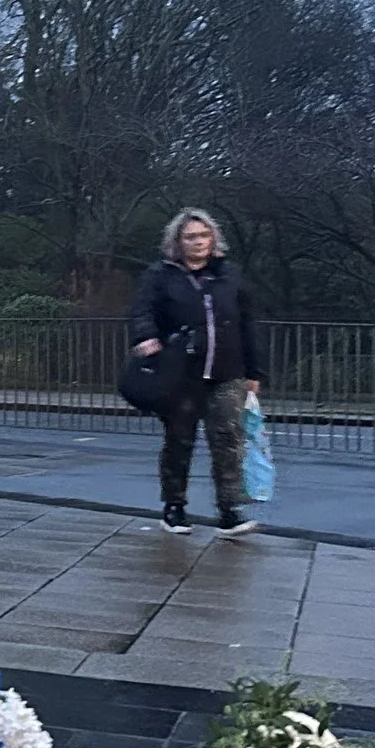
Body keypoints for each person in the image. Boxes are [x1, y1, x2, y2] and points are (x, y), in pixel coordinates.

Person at [127, 208, 267, 537]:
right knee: (179, 439)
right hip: (180, 374)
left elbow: (248, 322)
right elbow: (141, 310)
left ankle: (229, 509)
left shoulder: (229, 275)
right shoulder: (161, 276)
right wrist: (146, 338)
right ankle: (174, 506)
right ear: (178, 241)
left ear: (214, 239)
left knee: (228, 439)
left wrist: (254, 370)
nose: (198, 242)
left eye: (204, 235)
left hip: (227, 372)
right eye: (191, 236)